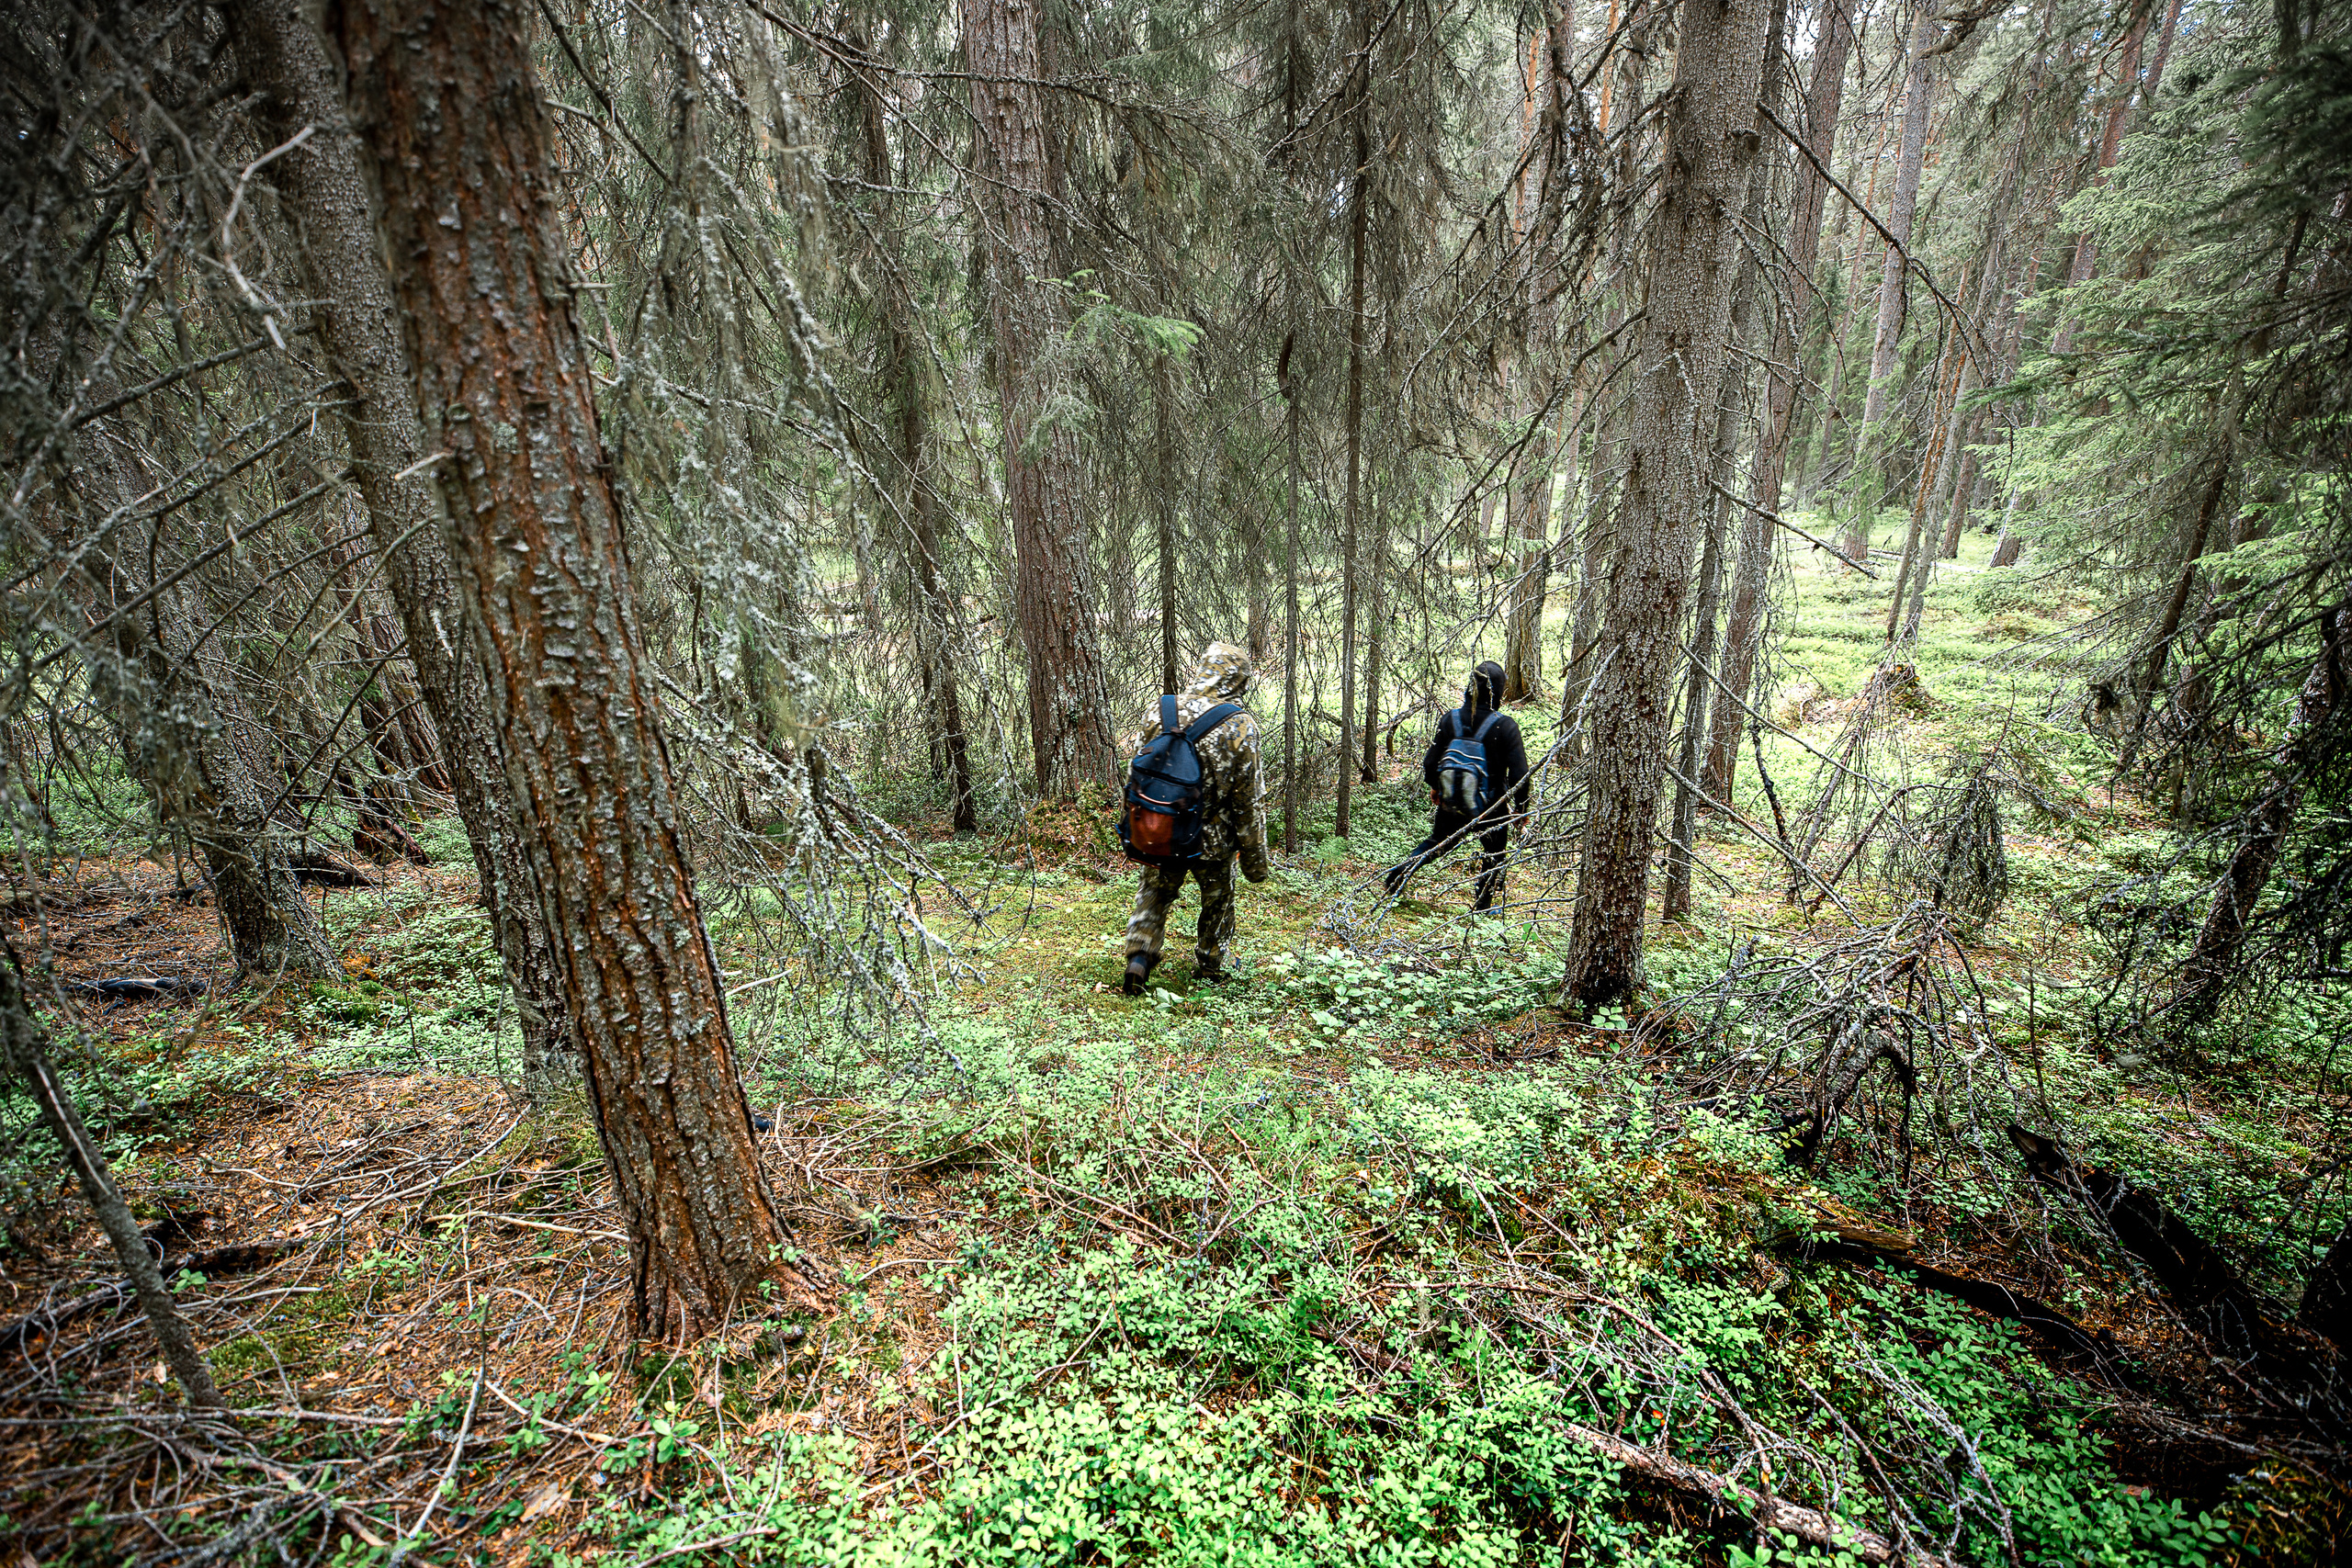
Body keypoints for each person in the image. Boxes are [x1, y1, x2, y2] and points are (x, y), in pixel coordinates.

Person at [1123, 642, 1270, 993]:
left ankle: (1139, 955)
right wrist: (1255, 863)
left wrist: (1140, 823)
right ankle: (1211, 962)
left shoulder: (1161, 709)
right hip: (1212, 839)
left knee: (1155, 892)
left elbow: (1137, 774)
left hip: (1164, 828)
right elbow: (1248, 801)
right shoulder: (1239, 726)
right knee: (1217, 899)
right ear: (1237, 681)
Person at [1385, 660, 1530, 910]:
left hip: (1452, 801)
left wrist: (1436, 787)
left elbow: (1430, 762)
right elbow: (1520, 774)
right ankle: (1483, 905)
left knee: (1437, 843)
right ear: (1499, 691)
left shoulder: (1450, 719)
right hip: (1491, 807)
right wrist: (1521, 809)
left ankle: (1398, 875)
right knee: (1494, 854)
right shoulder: (1506, 726)